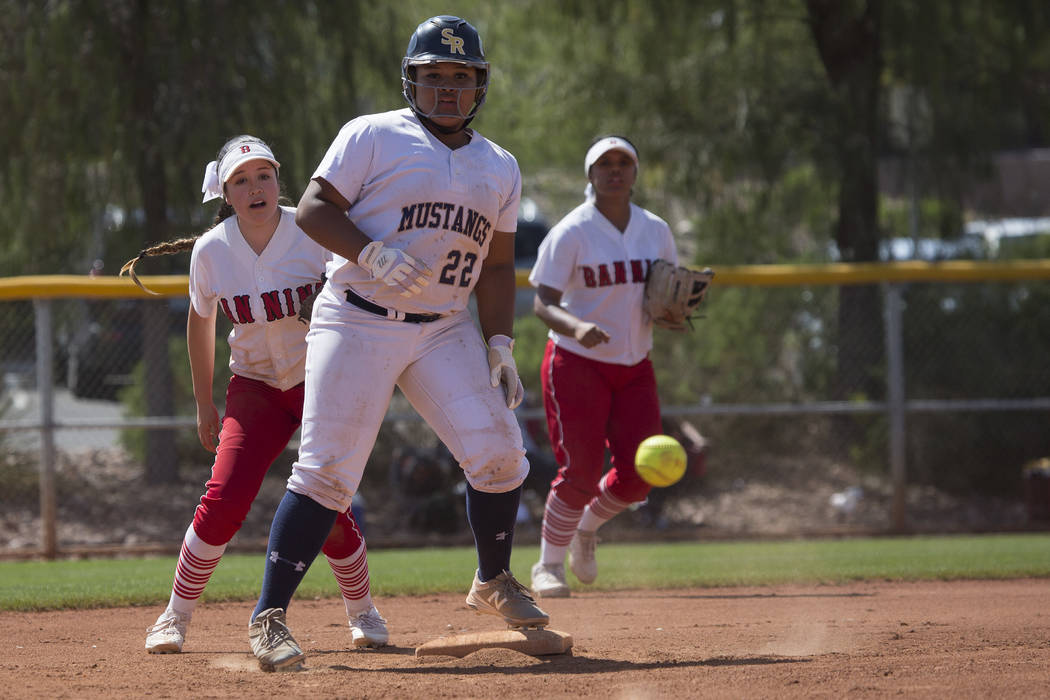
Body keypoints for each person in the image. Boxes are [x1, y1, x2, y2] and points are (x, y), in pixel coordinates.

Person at [247, 15, 548, 671]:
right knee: (327, 471)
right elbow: (313, 208)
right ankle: (268, 618)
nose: (447, 89)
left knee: (501, 452)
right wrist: (373, 254)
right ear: (411, 82)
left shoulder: (499, 166)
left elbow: (496, 266)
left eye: (460, 77)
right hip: (358, 313)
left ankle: (493, 580)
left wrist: (499, 341)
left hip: (444, 327)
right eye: (434, 76)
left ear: (480, 86)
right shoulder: (373, 134)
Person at [123, 135, 388, 658]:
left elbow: (354, 291)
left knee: (328, 504)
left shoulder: (311, 229)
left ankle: (362, 611)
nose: (255, 187)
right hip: (255, 388)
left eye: (263, 175)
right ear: (225, 194)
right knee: (223, 498)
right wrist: (204, 402)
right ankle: (174, 615)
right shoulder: (212, 249)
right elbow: (200, 325)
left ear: (279, 180)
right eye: (241, 180)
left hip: (320, 380)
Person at [528, 135, 679, 598]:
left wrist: (675, 311)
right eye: (605, 163)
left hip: (635, 364)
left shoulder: (655, 229)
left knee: (638, 479)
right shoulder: (572, 231)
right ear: (590, 174)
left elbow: (665, 293)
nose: (615, 169)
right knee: (581, 470)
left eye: (624, 162)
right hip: (578, 362)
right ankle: (548, 565)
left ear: (635, 172)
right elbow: (542, 302)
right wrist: (576, 328)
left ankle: (586, 529)